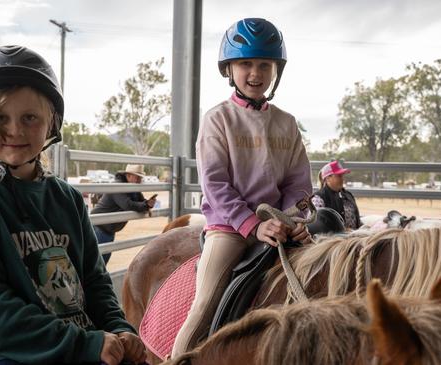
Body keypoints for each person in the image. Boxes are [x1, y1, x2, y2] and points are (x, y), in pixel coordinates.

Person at [0, 45, 146, 365]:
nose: (15, 130)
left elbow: (95, 282)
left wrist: (118, 328)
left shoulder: (67, 199)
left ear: (52, 124)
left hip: (78, 343)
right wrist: (84, 345)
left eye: (30, 117)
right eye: (0, 117)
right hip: (1, 355)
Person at [171, 18, 313, 356]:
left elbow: (298, 182)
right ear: (229, 70)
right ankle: (176, 358)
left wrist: (293, 220)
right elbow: (216, 185)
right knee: (204, 305)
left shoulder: (286, 123)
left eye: (264, 64)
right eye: (245, 63)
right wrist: (253, 224)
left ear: (276, 69)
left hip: (280, 225)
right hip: (230, 228)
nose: (255, 73)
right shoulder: (218, 119)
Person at [90, 164, 157, 264]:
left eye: (140, 178)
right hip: (99, 227)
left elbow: (141, 202)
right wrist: (146, 205)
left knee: (102, 261)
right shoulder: (118, 186)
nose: (139, 180)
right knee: (97, 262)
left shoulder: (133, 189)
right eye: (137, 177)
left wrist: (147, 204)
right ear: (128, 175)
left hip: (107, 228)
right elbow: (127, 205)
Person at [311, 160, 362, 230]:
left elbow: (356, 220)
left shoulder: (348, 195)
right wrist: (343, 231)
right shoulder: (318, 198)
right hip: (332, 239)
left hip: (353, 237)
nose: (342, 178)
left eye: (342, 175)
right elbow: (318, 225)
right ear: (328, 178)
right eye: (339, 176)